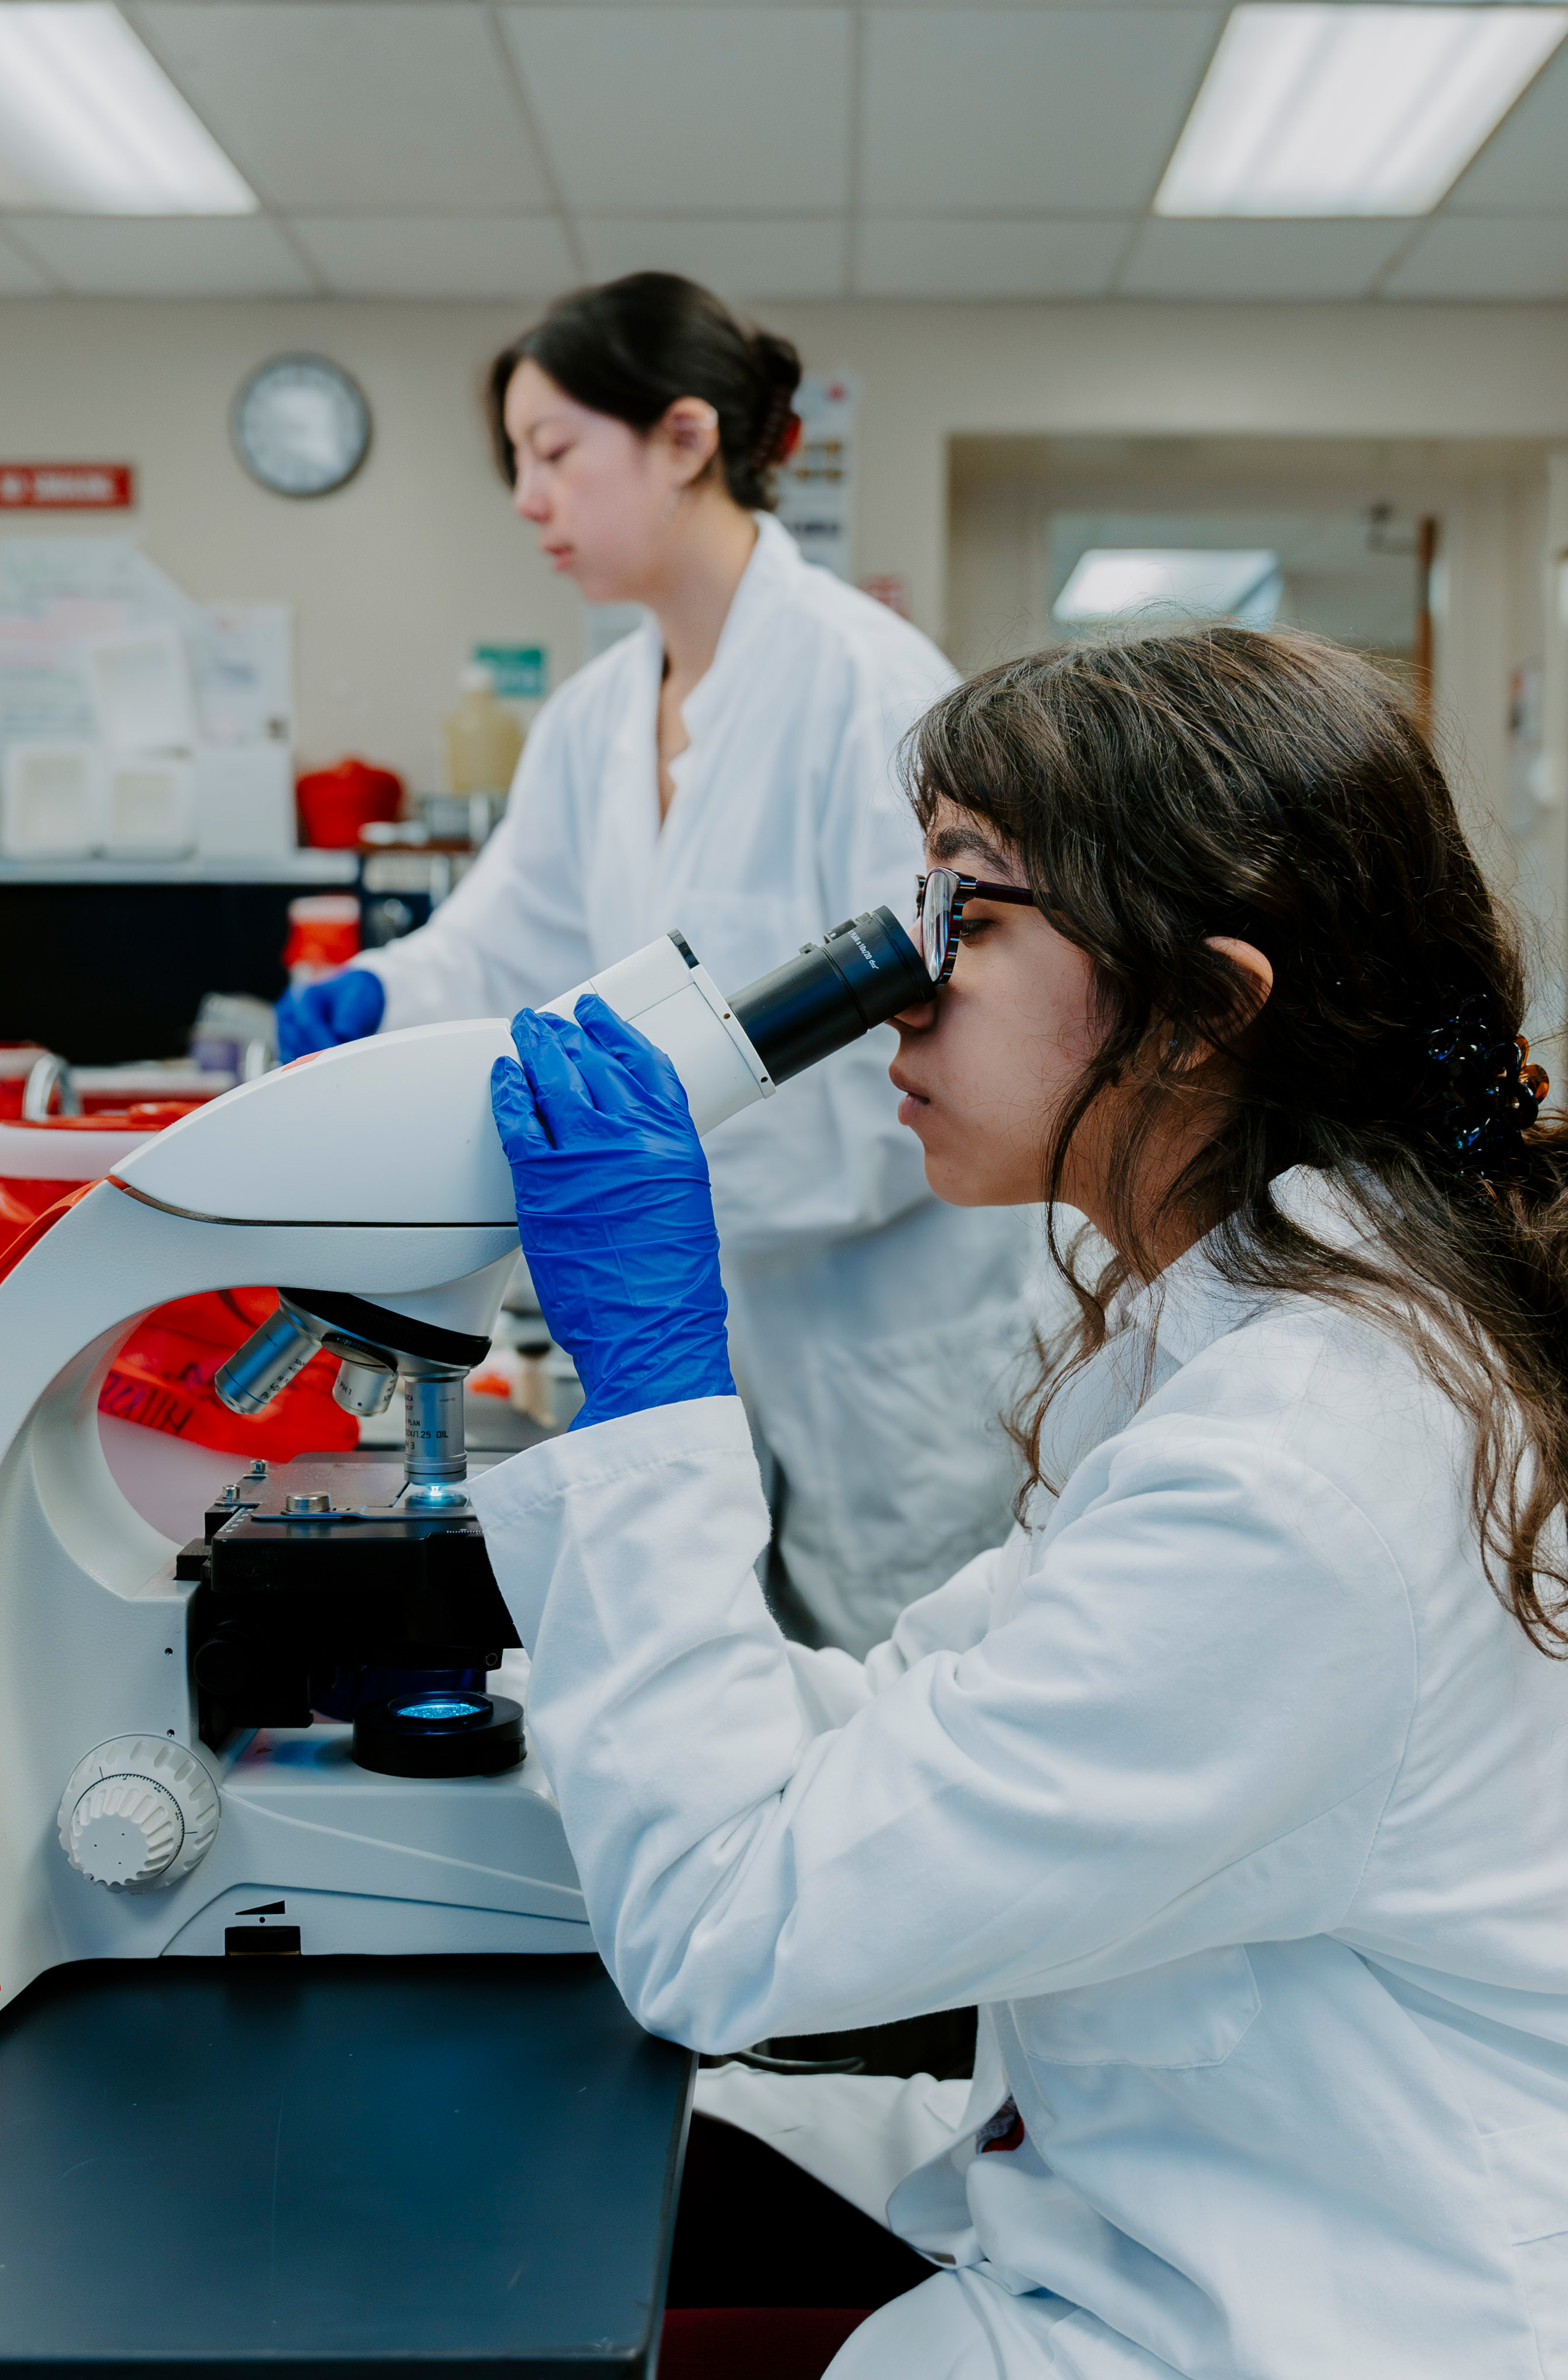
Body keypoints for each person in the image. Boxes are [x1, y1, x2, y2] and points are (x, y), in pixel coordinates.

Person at [472, 628, 1568, 2380]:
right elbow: (914, 1718)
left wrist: (659, 1390)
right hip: (1267, 2234)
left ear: (1200, 1013)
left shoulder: (1305, 1474)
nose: (902, 976)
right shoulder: (1256, 1321)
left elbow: (721, 1929)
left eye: (971, 907)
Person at [278, 272, 1040, 1653]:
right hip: (710, 1316)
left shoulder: (867, 687)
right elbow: (506, 939)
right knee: (704, 1676)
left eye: (554, 451)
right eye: (516, 460)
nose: (525, 497)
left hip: (886, 1328)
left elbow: (954, 1011)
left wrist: (649, 1169)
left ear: (685, 440)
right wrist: (379, 999)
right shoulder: (589, 719)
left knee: (899, 1694)